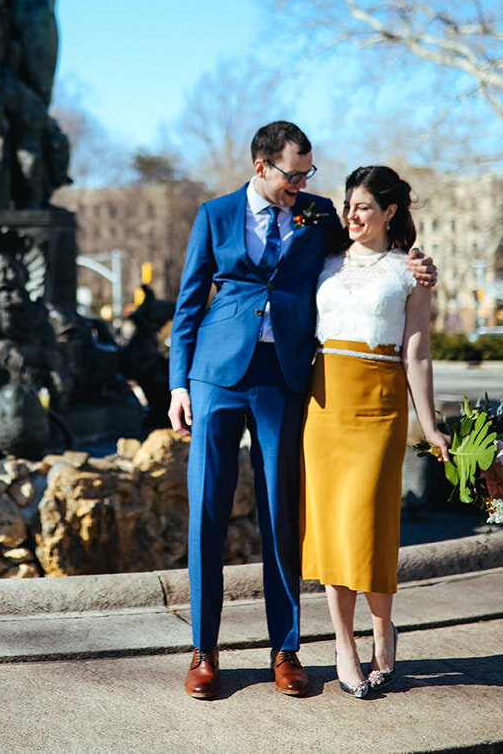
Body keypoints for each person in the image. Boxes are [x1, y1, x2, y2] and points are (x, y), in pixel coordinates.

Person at [167, 122, 435, 700]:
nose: (302, 183)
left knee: (283, 513)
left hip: (284, 379)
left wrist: (417, 268)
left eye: (308, 173)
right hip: (214, 375)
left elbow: (372, 250)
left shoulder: (318, 215)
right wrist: (177, 385)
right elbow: (189, 303)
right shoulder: (214, 215)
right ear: (261, 166)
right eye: (294, 173)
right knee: (207, 514)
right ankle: (204, 650)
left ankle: (285, 649)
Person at [302, 165, 451, 699]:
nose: (351, 216)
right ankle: (344, 645)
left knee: (368, 523)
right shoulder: (322, 261)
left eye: (363, 206)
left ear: (390, 211)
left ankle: (383, 626)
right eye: (348, 206)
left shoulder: (410, 271)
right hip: (322, 407)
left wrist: (429, 424)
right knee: (331, 527)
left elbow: (418, 351)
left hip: (380, 407)